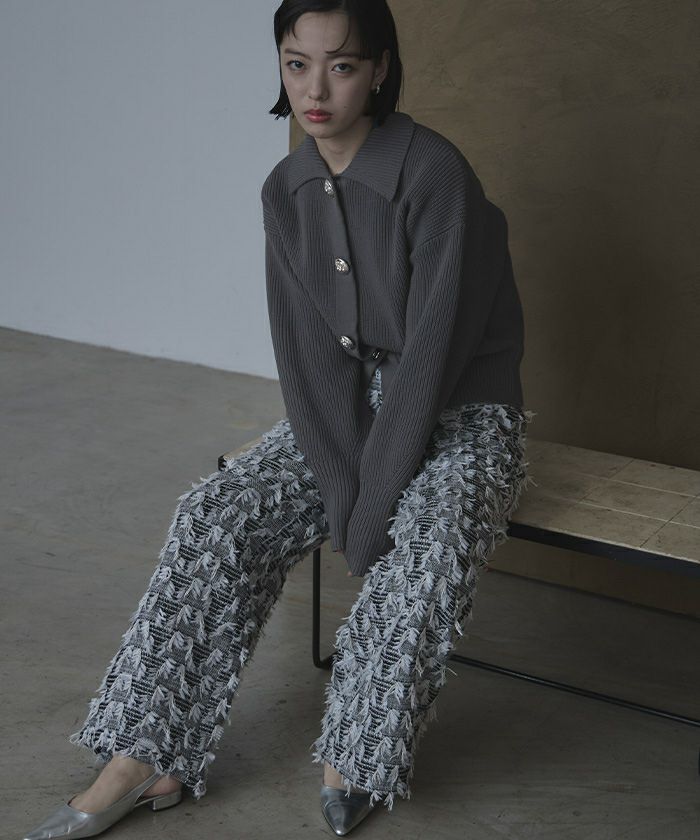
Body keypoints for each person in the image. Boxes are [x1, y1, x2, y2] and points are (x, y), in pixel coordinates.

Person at [22, 1, 536, 837]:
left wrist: (367, 506)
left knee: (429, 537)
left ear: (379, 68)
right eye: (297, 64)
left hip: (465, 412)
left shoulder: (433, 172)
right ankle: (143, 757)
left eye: (341, 65)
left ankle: (356, 754)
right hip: (355, 407)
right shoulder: (286, 188)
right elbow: (310, 362)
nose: (315, 89)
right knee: (219, 511)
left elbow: (430, 362)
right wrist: (342, 479)